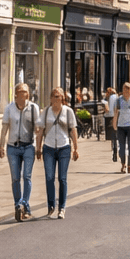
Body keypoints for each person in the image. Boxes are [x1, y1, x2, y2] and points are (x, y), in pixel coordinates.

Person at [0, 83, 40, 222]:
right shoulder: (9, 109)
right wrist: (1, 146)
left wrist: (39, 146)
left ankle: (24, 204)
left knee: (26, 176)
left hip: (28, 147)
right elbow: (4, 128)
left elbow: (38, 129)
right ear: (16, 94)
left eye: (25, 92)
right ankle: (18, 204)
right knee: (15, 178)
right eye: (21, 92)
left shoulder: (34, 108)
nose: (23, 95)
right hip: (13, 148)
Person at [37, 87, 80, 219]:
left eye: (59, 96)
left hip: (64, 147)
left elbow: (73, 130)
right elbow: (40, 131)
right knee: (49, 177)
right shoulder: (46, 112)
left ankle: (62, 207)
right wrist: (38, 148)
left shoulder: (68, 112)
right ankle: (51, 206)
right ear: (50, 98)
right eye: (54, 96)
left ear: (63, 98)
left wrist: (75, 148)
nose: (56, 99)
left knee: (62, 178)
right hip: (48, 147)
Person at [105, 86, 120, 162]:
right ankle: (116, 150)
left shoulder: (111, 98)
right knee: (117, 135)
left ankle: (114, 150)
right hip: (118, 117)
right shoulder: (117, 97)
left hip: (112, 117)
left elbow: (110, 110)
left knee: (113, 135)